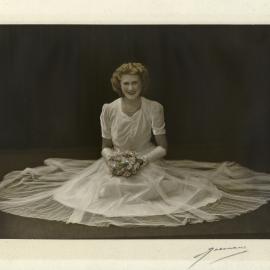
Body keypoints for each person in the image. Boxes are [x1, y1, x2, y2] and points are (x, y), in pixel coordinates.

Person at [1, 62, 270, 227]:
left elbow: (162, 147)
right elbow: (105, 145)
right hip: (116, 161)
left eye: (135, 83)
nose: (131, 88)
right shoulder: (108, 109)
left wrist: (142, 160)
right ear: (119, 85)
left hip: (146, 159)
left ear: (143, 84)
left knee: (160, 190)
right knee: (105, 192)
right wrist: (112, 159)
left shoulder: (154, 108)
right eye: (126, 83)